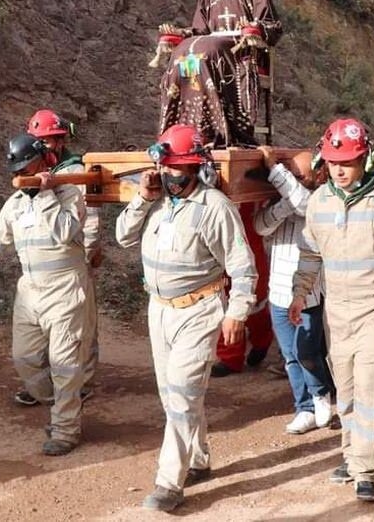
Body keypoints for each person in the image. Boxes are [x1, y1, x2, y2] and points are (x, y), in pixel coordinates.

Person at [116, 124, 258, 512]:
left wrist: (237, 313)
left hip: (200, 311)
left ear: (194, 168)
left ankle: (169, 482)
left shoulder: (215, 208)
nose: (168, 175)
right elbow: (123, 237)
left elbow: (243, 268)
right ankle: (197, 458)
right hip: (159, 310)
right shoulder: (157, 200)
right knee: (171, 394)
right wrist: (143, 199)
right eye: (165, 168)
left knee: (182, 393)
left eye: (176, 169)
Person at [290, 118, 374, 503]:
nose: (340, 170)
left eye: (347, 162)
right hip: (338, 314)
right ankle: (351, 455)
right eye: (333, 163)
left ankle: (366, 469)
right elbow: (311, 254)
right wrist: (300, 294)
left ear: (364, 158)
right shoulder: (319, 202)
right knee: (345, 393)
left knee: (370, 392)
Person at [0, 134, 95, 456]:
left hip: (66, 288)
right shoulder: (17, 202)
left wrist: (47, 194)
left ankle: (65, 429)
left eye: (27, 165)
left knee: (65, 364)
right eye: (16, 168)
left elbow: (65, 233)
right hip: (30, 291)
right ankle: (64, 404)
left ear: (43, 161)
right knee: (25, 359)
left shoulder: (70, 193)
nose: (20, 172)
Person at [155, 0, 282, 147]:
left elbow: (271, 24)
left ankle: (219, 131)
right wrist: (178, 35)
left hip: (243, 48)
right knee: (183, 51)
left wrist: (253, 28)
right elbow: (199, 29)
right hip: (212, 42)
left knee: (208, 50)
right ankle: (178, 130)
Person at [17, 109, 102, 407]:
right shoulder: (37, 169)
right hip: (46, 261)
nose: (48, 145)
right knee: (42, 330)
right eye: (42, 140)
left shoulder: (73, 172)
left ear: (62, 139)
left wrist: (90, 253)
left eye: (52, 140)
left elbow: (90, 215)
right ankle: (43, 384)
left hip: (73, 259)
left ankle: (82, 383)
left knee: (82, 328)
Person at [254, 146, 334, 434]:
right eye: (293, 175)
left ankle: (320, 394)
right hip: (278, 293)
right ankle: (305, 409)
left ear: (318, 175)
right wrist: (284, 200)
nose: (297, 180)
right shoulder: (288, 199)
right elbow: (261, 226)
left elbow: (305, 206)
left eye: (302, 175)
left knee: (308, 352)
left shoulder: (321, 200)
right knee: (290, 356)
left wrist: (276, 171)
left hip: (308, 292)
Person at [212, 202, 274, 376]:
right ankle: (229, 357)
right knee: (222, 292)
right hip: (216, 228)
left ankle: (262, 338)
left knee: (255, 293)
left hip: (248, 228)